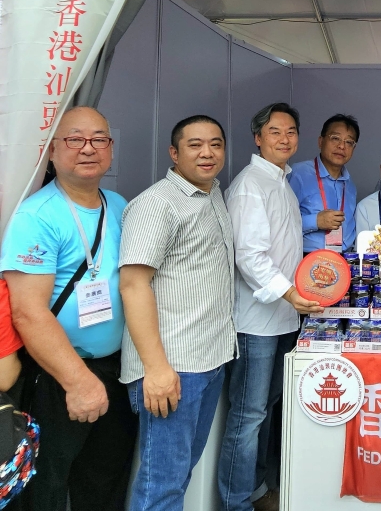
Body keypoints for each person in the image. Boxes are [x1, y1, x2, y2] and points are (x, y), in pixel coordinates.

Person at [1, 106, 136, 511]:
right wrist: (78, 382)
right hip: (57, 376)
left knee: (105, 480)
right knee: (46, 486)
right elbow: (28, 312)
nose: (88, 148)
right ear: (53, 150)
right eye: (75, 139)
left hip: (115, 370)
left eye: (98, 139)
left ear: (111, 148)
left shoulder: (119, 205)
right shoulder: (37, 216)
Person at [119, 115, 237, 511]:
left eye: (216, 144)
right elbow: (133, 285)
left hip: (209, 358)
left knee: (179, 474)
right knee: (162, 484)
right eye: (195, 145)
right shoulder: (157, 204)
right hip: (173, 366)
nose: (207, 153)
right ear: (174, 152)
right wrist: (156, 370)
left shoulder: (213, 193)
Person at [218, 104, 321, 511]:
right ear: (258, 138)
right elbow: (250, 256)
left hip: (283, 318)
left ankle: (257, 489)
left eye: (291, 131)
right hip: (256, 322)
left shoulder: (281, 182)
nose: (284, 139)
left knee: (268, 407)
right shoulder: (250, 185)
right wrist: (290, 293)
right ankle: (236, 502)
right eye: (275, 131)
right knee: (248, 416)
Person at [288, 114, 359, 255]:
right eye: (335, 138)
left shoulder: (350, 184)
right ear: (321, 142)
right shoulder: (298, 174)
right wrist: (315, 221)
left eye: (349, 142)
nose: (341, 146)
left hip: (344, 258)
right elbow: (279, 223)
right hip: (308, 258)